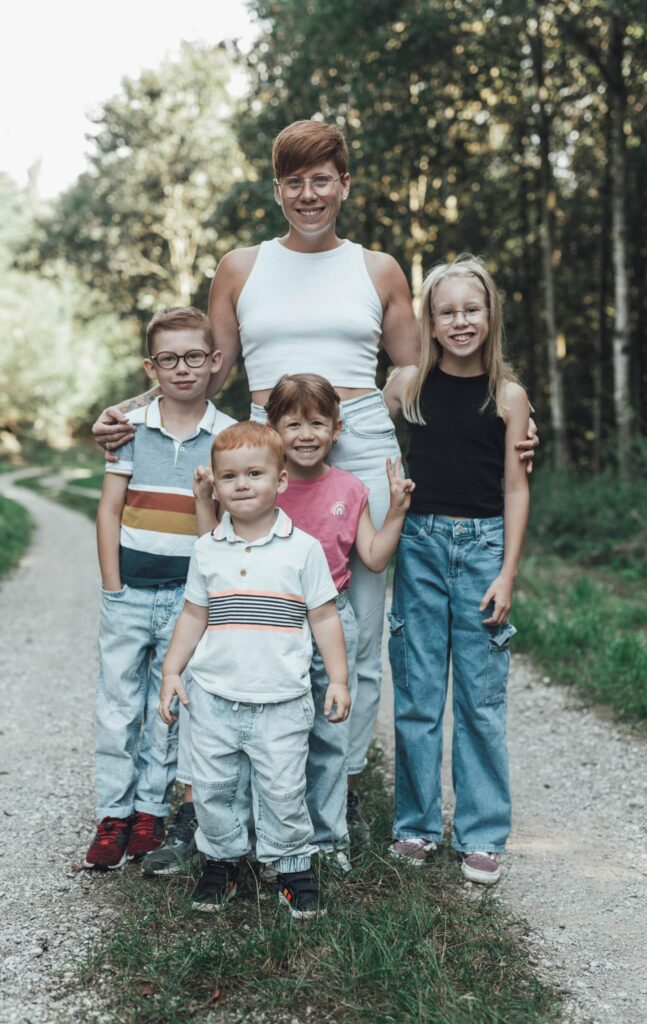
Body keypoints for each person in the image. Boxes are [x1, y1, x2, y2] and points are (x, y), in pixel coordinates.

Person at [92, 120, 539, 838]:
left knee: (354, 630)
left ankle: (336, 783)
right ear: (277, 190)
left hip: (357, 442)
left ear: (344, 184)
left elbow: (415, 375)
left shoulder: (379, 269)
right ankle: (232, 780)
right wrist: (131, 407)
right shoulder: (240, 267)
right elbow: (210, 370)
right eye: (294, 181)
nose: (309, 194)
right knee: (249, 609)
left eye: (321, 178)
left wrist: (504, 417)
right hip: (265, 451)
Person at [159, 421, 350, 917]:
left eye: (254, 474)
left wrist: (340, 679)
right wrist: (172, 671)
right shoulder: (207, 550)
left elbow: (324, 617)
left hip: (282, 701)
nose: (242, 484)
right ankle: (221, 862)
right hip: (215, 699)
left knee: (284, 789)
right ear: (215, 486)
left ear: (280, 481)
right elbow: (194, 615)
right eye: (230, 477)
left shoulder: (302, 549)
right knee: (215, 789)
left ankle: (292, 866)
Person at [382, 254, 530, 885]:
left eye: (472, 309)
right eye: (447, 312)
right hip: (418, 543)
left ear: (490, 314)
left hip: (482, 548)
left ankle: (482, 833)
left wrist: (508, 573)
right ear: (431, 321)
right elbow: (356, 432)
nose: (461, 321)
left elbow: (518, 490)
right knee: (417, 693)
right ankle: (415, 825)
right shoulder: (407, 386)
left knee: (480, 698)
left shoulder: (509, 396)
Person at [84, 307, 235, 871]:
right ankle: (113, 813)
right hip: (129, 592)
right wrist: (112, 584)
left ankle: (151, 810)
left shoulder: (226, 437)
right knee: (119, 704)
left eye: (194, 356)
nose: (182, 369)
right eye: (168, 359)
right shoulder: (129, 428)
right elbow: (109, 509)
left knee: (167, 705)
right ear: (152, 366)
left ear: (214, 361)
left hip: (186, 600)